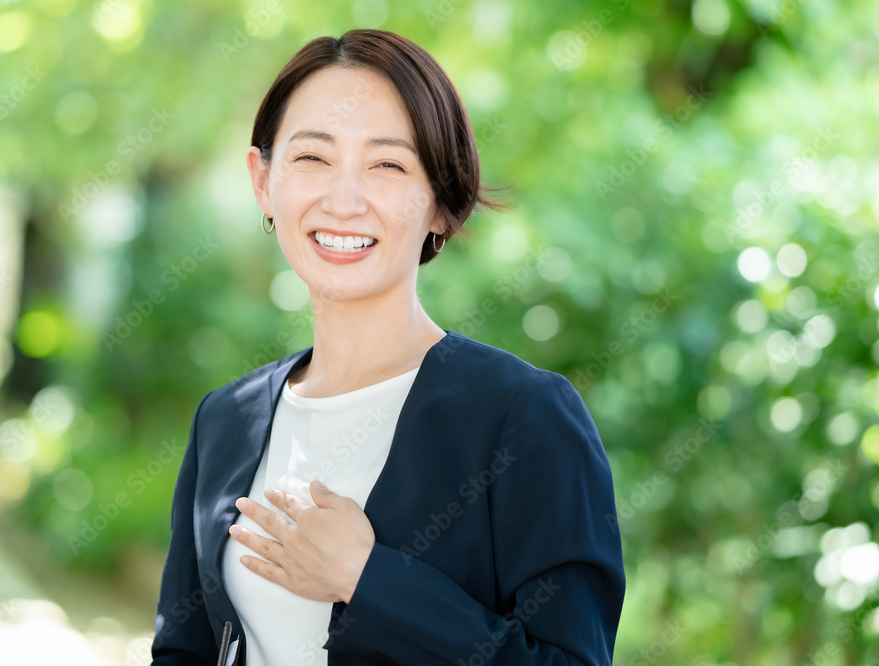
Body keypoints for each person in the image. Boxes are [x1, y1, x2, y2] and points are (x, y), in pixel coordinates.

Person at [150, 28, 624, 666]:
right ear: (263, 181)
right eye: (313, 158)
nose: (343, 201)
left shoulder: (524, 417)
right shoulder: (226, 419)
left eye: (388, 165)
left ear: (441, 202)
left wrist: (367, 579)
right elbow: (182, 651)